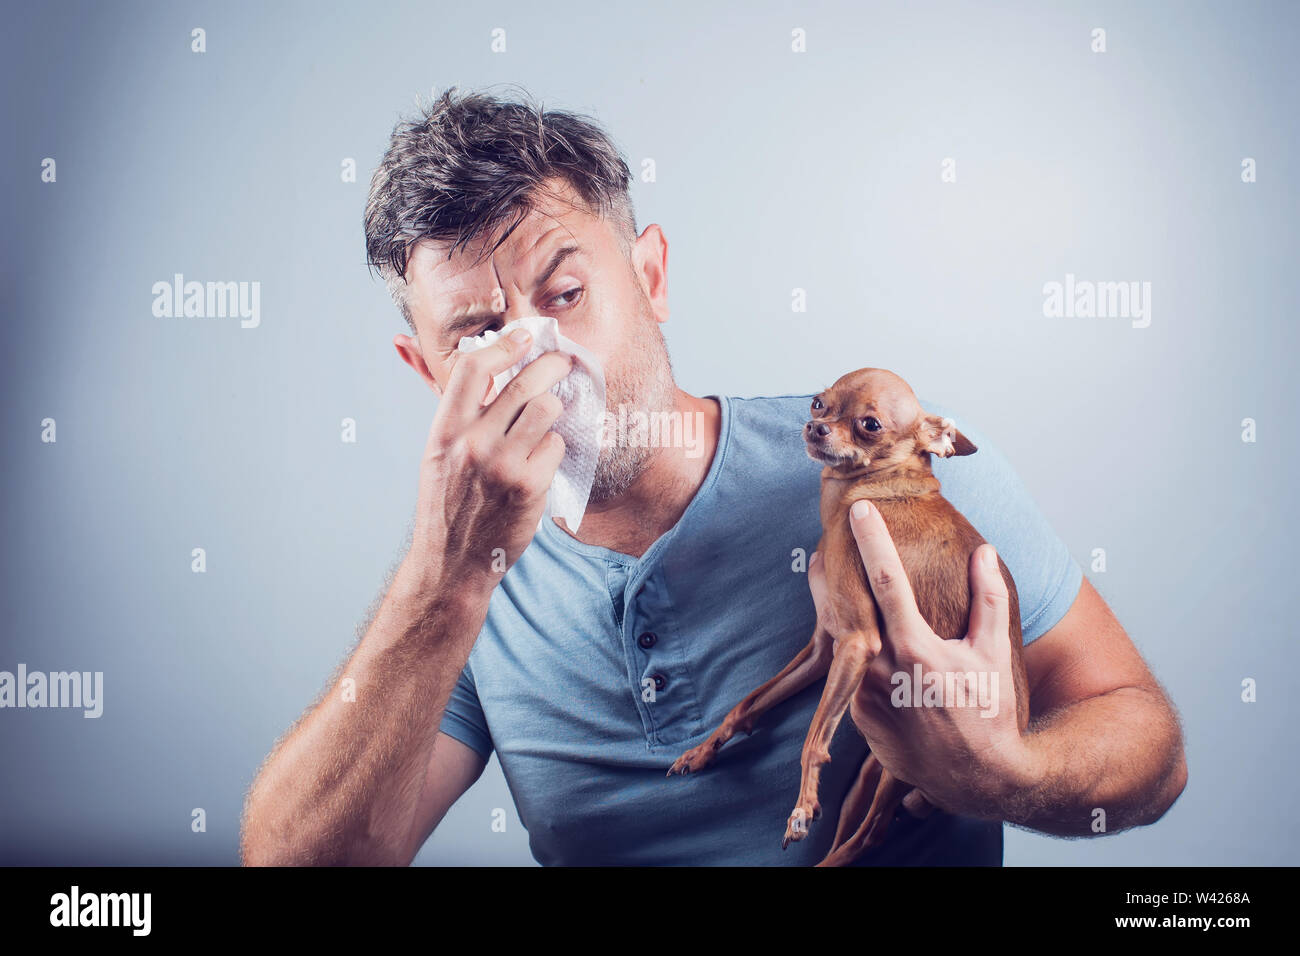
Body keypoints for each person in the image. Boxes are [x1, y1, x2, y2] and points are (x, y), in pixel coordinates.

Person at [240, 86, 1186, 866]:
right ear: (430, 375)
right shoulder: (462, 592)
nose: (538, 355)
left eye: (565, 295)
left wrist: (1005, 773)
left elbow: (1148, 744)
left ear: (649, 277)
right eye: (480, 335)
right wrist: (446, 577)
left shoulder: (892, 476)